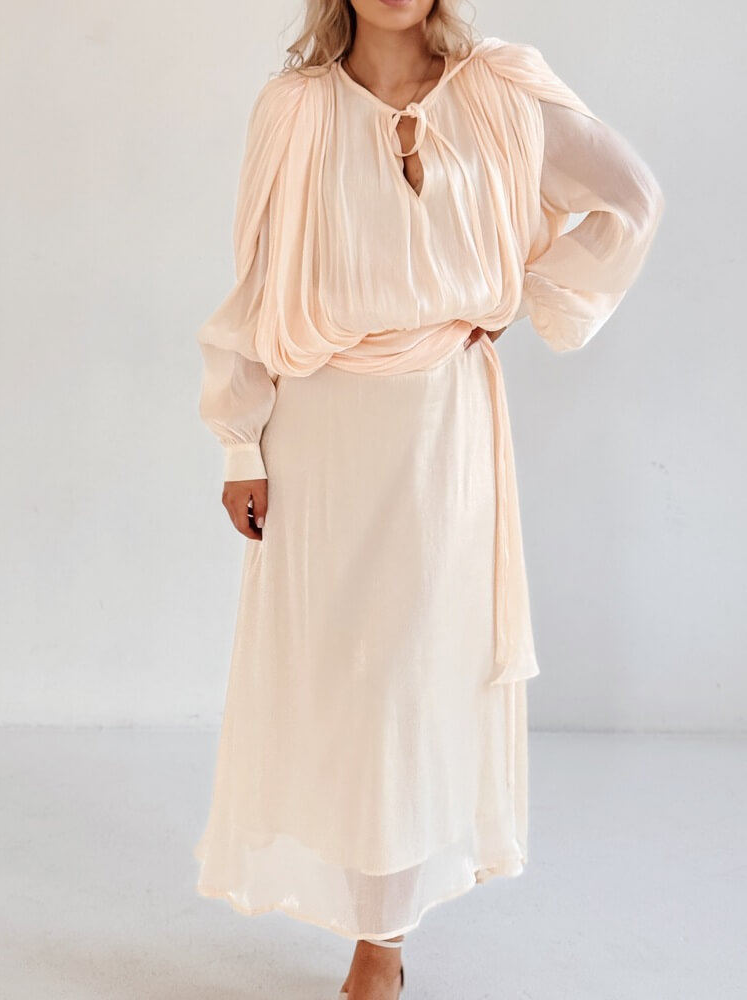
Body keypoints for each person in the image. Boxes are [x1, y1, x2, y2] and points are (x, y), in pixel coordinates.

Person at [193, 1, 664, 997]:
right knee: (339, 678)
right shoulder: (294, 108)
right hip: (319, 428)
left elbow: (630, 197)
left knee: (408, 681)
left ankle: (383, 942)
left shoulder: (501, 90)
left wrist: (530, 294)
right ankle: (365, 906)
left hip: (441, 430)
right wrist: (241, 439)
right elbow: (256, 280)